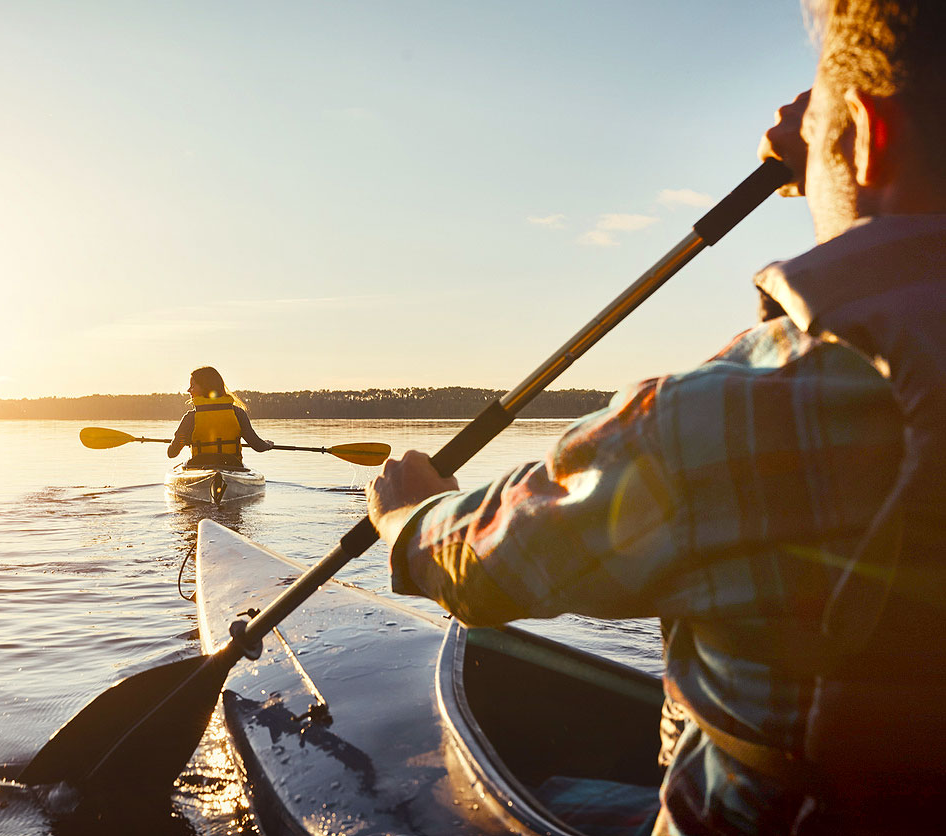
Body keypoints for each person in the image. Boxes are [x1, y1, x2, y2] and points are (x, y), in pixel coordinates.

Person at [366, 1, 946, 833]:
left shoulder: (730, 413)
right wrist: (844, 142)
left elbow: (483, 568)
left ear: (867, 132)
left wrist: (408, 516)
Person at [168, 366, 273, 468]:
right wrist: (268, 444)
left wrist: (181, 441)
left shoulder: (190, 418)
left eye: (192, 386)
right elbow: (258, 446)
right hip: (232, 466)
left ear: (205, 387)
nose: (188, 390)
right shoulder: (238, 413)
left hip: (199, 466)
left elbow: (172, 453)